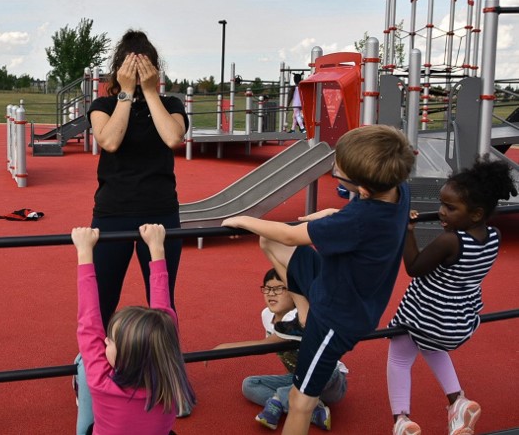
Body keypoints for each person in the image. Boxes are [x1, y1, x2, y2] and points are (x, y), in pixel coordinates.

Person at [222, 125, 415, 435]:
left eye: (338, 171)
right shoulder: (399, 191)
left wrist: (244, 219)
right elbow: (283, 239)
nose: (334, 169)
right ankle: (303, 313)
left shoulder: (358, 220)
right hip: (335, 287)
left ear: (362, 188)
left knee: (301, 401)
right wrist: (331, 213)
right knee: (270, 243)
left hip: (336, 319)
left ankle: (310, 323)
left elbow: (289, 232)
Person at [76, 30, 189, 434]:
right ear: (118, 68)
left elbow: (173, 137)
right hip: (113, 214)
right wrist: (125, 93)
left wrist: (151, 92)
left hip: (160, 214)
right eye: (131, 63)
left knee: (162, 302)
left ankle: (168, 378)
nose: (137, 71)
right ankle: (95, 379)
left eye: (144, 64)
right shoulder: (104, 103)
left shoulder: (170, 103)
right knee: (101, 301)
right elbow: (108, 141)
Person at [386, 156, 517, 435]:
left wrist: (407, 232)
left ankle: (401, 419)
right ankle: (457, 401)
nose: (441, 212)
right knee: (432, 347)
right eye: (441, 205)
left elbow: (414, 268)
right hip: (457, 319)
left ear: (477, 214)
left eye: (449, 207)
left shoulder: (450, 241)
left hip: (424, 313)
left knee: (398, 358)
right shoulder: (493, 236)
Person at [72, 224, 196, 435]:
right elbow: (163, 317)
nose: (104, 341)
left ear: (127, 356)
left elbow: (89, 322)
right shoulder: (171, 377)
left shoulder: (102, 380)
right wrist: (156, 248)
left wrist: (84, 251)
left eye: (110, 341)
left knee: (83, 365)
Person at [213, 269, 348, 431]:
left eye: (278, 289)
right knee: (249, 385)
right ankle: (312, 410)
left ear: (294, 295)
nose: (271, 294)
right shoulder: (266, 315)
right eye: (268, 288)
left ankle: (279, 400)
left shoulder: (298, 318)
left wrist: (223, 349)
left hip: (330, 380)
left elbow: (266, 345)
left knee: (315, 376)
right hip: (297, 379)